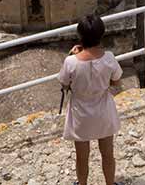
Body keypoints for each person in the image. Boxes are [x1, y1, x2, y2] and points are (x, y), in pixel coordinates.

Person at [59, 14, 123, 185]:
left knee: (82, 157)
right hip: (103, 110)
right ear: (101, 34)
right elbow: (116, 82)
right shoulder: (109, 58)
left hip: (81, 114)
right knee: (108, 153)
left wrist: (73, 55)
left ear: (80, 36)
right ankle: (110, 183)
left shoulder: (70, 61)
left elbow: (64, 84)